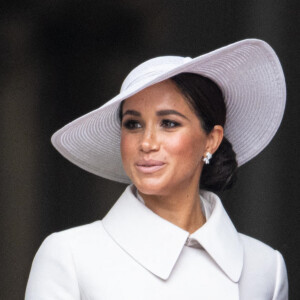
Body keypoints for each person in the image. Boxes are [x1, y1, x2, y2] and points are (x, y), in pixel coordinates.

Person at [25, 39, 288, 299]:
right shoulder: (70, 257)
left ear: (211, 139)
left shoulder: (265, 268)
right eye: (133, 124)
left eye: (169, 123)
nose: (147, 143)